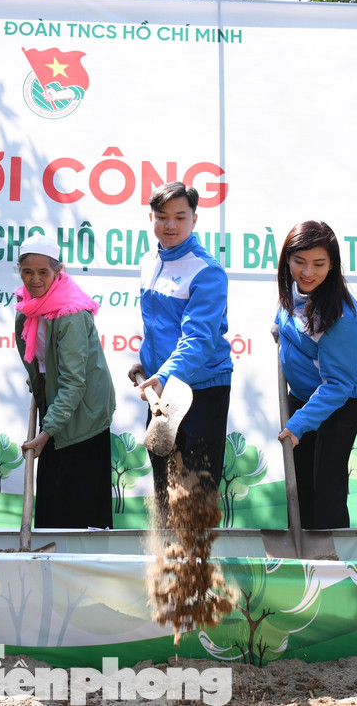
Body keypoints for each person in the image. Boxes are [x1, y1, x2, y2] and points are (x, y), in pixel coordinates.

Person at [129, 181, 233, 504]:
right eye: (162, 217)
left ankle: (198, 555)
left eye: (180, 217)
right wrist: (148, 364)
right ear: (151, 218)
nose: (170, 225)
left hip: (201, 390)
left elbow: (198, 341)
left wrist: (162, 375)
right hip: (161, 390)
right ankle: (166, 555)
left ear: (194, 219)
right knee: (164, 481)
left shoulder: (207, 272)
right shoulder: (148, 262)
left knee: (196, 490)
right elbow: (157, 325)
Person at [13, 235, 116, 528]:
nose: (34, 279)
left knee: (76, 506)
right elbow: (43, 356)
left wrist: (46, 434)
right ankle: (50, 567)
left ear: (58, 272)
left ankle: (79, 568)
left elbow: (74, 383)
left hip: (84, 414)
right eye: (27, 272)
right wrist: (40, 380)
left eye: (43, 272)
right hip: (58, 404)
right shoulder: (28, 304)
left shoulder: (69, 312)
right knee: (52, 497)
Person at [274, 220, 357, 529]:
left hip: (337, 403)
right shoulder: (292, 288)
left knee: (326, 489)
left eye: (318, 264)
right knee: (298, 488)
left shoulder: (342, 316)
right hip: (301, 397)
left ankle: (331, 564)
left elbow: (338, 386)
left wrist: (299, 424)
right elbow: (289, 318)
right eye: (299, 261)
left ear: (332, 266)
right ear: (287, 259)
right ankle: (300, 563)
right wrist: (279, 327)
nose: (307, 272)